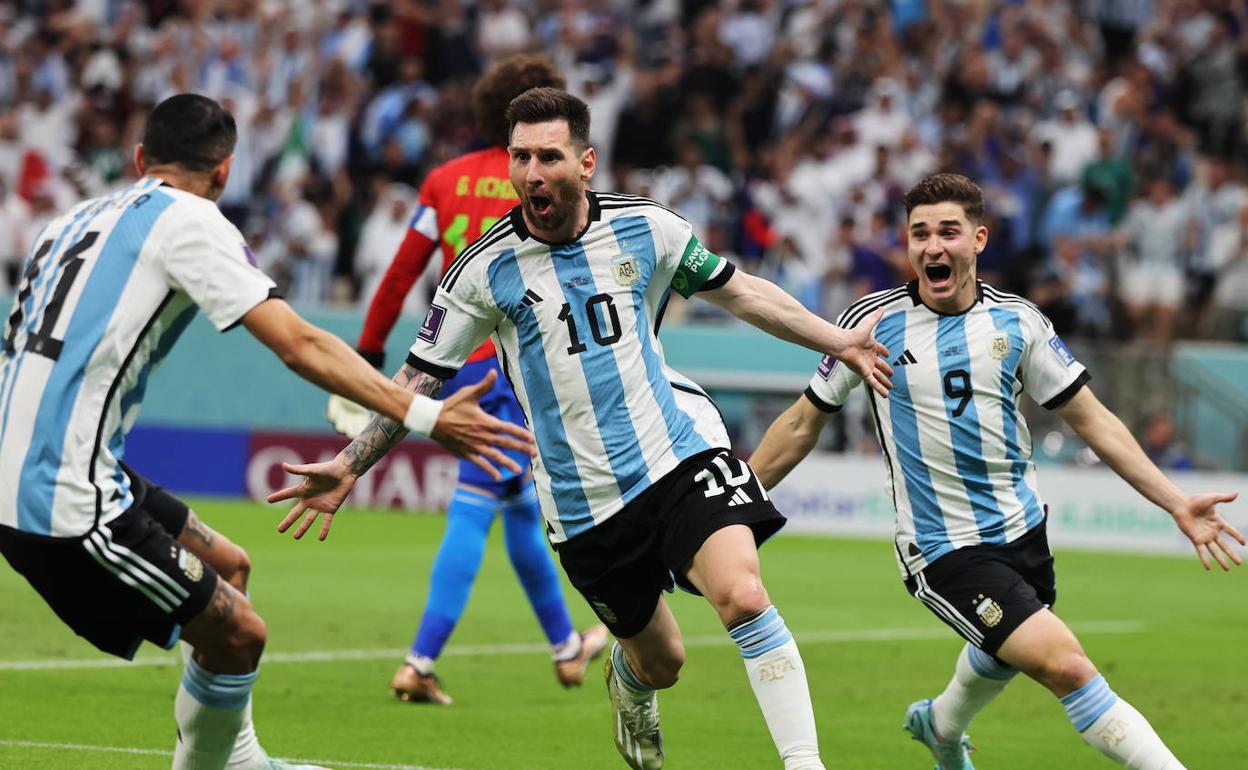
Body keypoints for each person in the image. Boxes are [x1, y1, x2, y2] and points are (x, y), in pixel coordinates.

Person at [270, 87, 893, 770]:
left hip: (675, 452)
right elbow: (417, 381)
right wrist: (350, 463)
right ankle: (629, 684)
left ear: (587, 162)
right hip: (582, 501)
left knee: (742, 594)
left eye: (549, 156)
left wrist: (839, 340)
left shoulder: (647, 228)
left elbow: (740, 290)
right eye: (520, 158)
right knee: (662, 662)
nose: (532, 173)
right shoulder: (480, 272)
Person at [0, 94, 533, 770]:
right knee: (241, 633)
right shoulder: (191, 220)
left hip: (48, 461)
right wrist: (424, 413)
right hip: (57, 492)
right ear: (223, 174)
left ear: (139, 159)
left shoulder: (66, 222)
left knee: (230, 566)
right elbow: (299, 343)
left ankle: (238, 756)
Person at [748, 173, 1244, 770]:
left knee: (1005, 649)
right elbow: (804, 423)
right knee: (1066, 664)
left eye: (948, 232)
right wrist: (731, 505)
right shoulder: (871, 324)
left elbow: (1094, 420)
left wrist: (1174, 500)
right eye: (919, 234)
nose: (933, 247)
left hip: (1022, 529)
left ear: (979, 239)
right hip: (942, 546)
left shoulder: (1019, 323)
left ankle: (940, 726)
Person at [326, 54, 609, 705]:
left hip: (453, 363)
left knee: (514, 507)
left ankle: (566, 648)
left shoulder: (445, 180)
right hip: (520, 366)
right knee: (479, 503)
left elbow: (400, 273)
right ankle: (418, 662)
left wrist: (368, 352)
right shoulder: (558, 177)